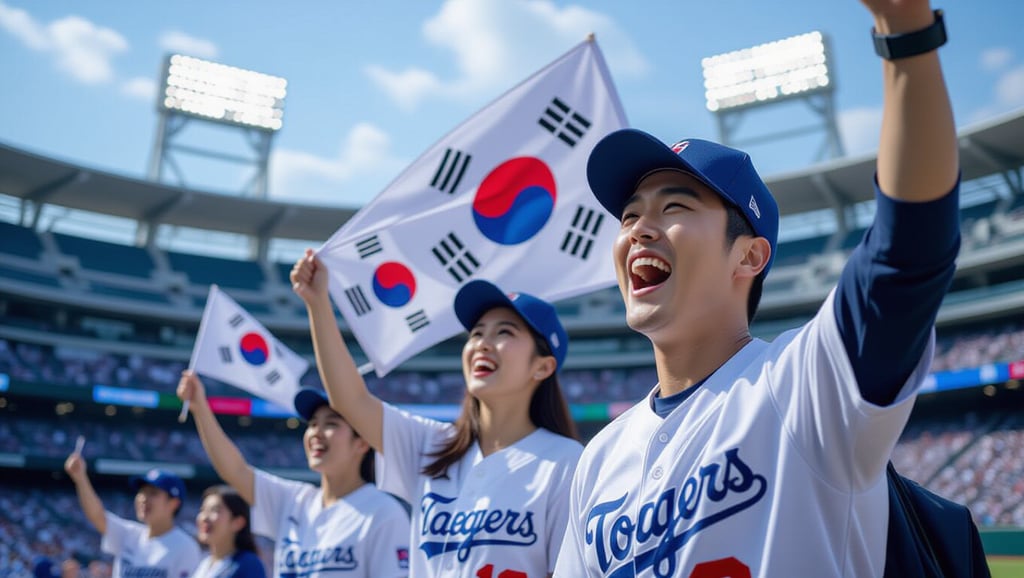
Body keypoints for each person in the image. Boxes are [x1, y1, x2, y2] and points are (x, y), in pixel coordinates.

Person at [554, 1, 960, 576]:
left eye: (673, 206)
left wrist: (906, 32)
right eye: (628, 216)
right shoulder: (598, 460)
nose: (639, 227)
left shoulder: (803, 388)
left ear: (749, 255)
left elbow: (908, 252)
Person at [291, 252, 583, 578]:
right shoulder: (431, 444)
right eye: (476, 333)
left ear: (543, 366)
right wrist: (317, 304)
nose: (483, 344)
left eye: (504, 333)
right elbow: (349, 400)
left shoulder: (567, 463)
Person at [177, 372, 411, 578]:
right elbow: (235, 470)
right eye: (311, 424)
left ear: (362, 443)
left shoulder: (383, 514)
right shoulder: (294, 501)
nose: (316, 433)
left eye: (330, 424)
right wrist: (200, 408)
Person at [63, 457, 201, 578]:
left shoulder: (185, 547)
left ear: (174, 503)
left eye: (153, 493)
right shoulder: (130, 534)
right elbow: (97, 515)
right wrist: (80, 478)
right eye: (141, 492)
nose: (143, 498)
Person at [192, 485, 266, 578]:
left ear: (238, 522)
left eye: (214, 510)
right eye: (202, 510)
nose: (204, 517)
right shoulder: (205, 564)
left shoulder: (248, 564)